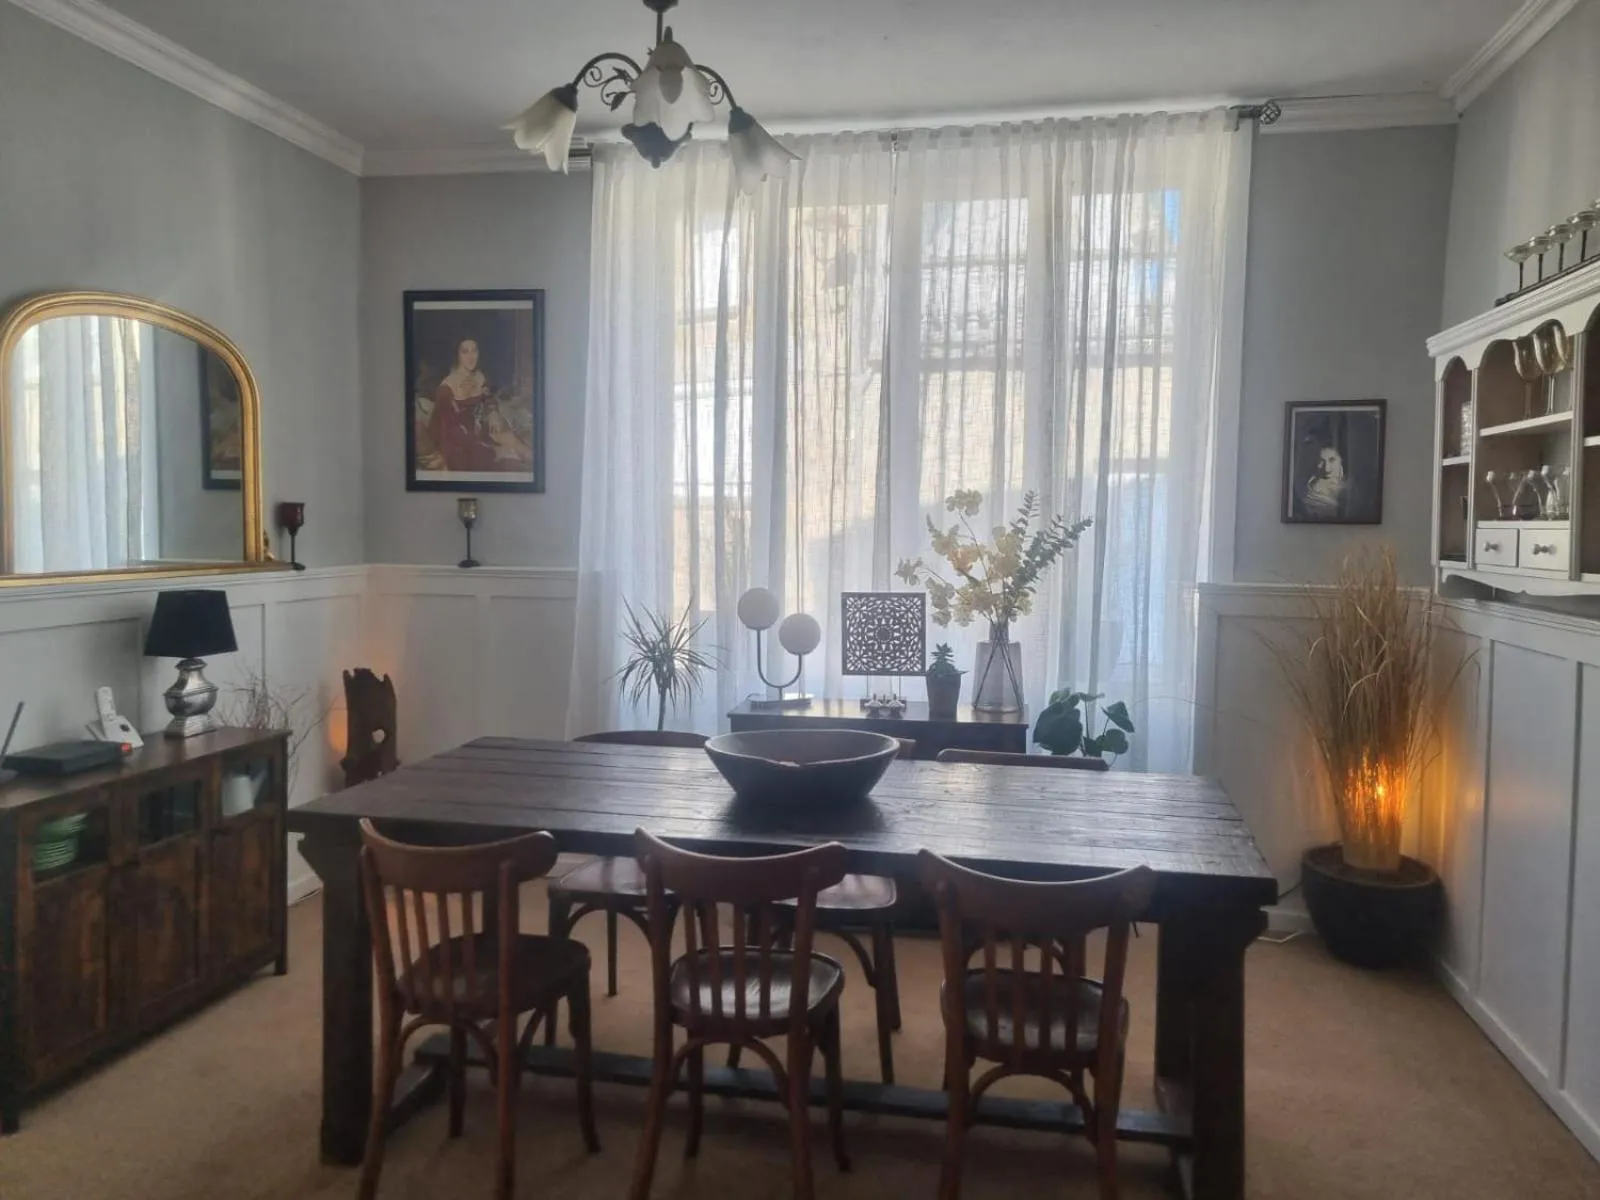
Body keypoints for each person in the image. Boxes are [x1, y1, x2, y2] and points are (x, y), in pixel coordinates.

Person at [1300, 444, 1347, 518]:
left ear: (1341, 462)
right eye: (1321, 461)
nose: (1327, 469)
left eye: (1332, 460)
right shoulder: (1308, 494)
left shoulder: (1352, 492)